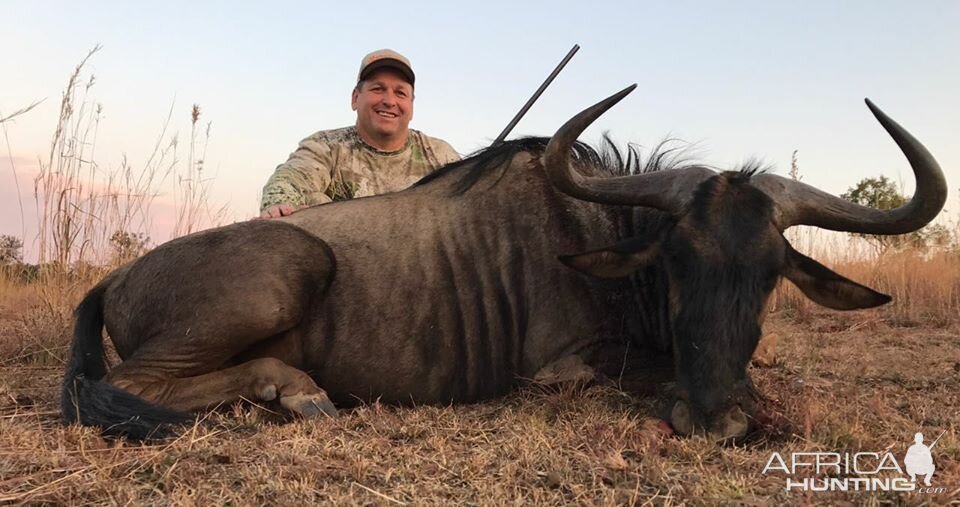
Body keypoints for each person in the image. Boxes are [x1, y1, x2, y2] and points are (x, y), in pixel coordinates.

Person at [260, 49, 460, 218]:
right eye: (378, 89)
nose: (389, 101)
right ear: (355, 98)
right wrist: (280, 206)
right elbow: (288, 181)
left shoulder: (440, 155)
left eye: (400, 93)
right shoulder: (326, 146)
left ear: (411, 106)